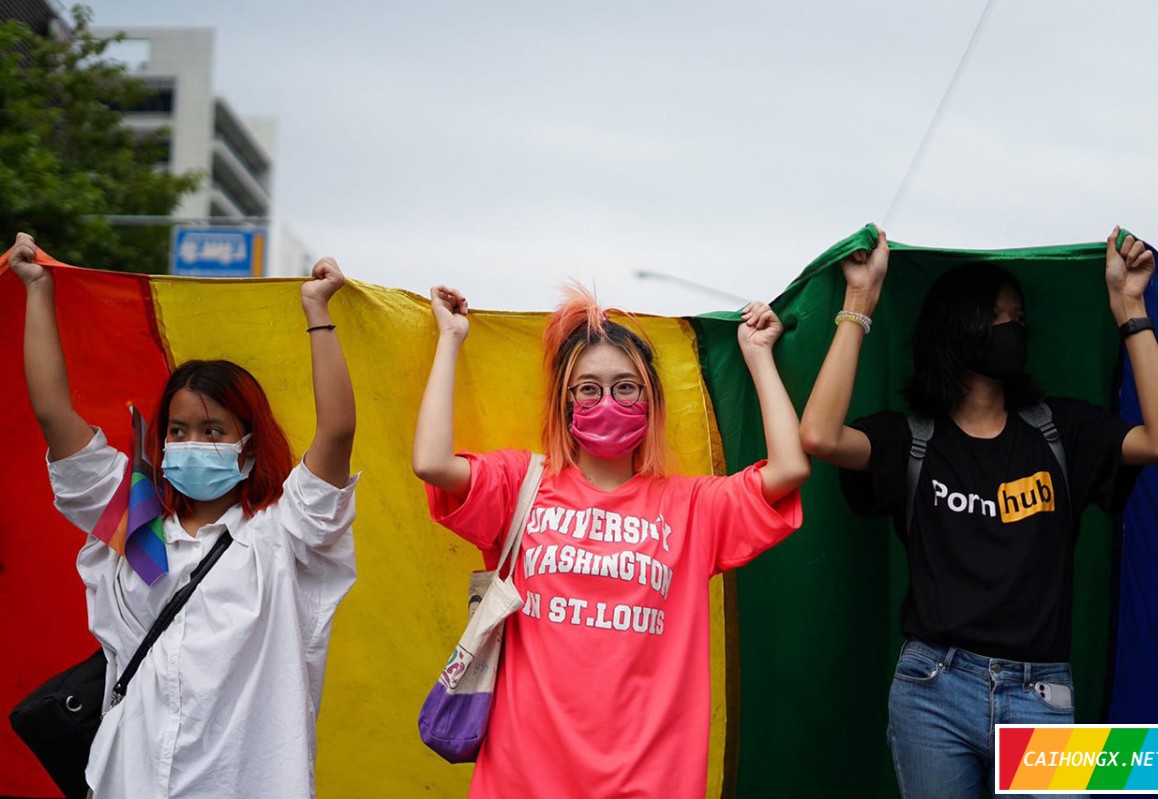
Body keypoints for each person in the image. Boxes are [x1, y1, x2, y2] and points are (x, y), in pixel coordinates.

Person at [798, 227, 1158, 798]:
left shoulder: (1063, 431)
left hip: (1041, 696)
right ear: (957, 328)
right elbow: (819, 435)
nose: (1014, 327)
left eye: (1019, 317)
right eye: (997, 316)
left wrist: (1130, 307)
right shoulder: (912, 442)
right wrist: (858, 302)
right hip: (931, 689)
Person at [413, 283, 808, 798]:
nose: (608, 400)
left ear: (649, 399)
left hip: (651, 781)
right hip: (524, 777)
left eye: (626, 386)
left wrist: (757, 356)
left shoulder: (692, 507)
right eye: (589, 388)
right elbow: (431, 464)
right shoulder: (521, 486)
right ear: (566, 400)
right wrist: (450, 338)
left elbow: (790, 468)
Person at [10, 231, 359, 798]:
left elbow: (337, 431)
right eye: (178, 431)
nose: (192, 442)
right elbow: (53, 413)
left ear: (247, 446)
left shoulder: (281, 536)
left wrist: (317, 311)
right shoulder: (137, 522)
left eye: (213, 430)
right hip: (130, 779)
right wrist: (38, 290)